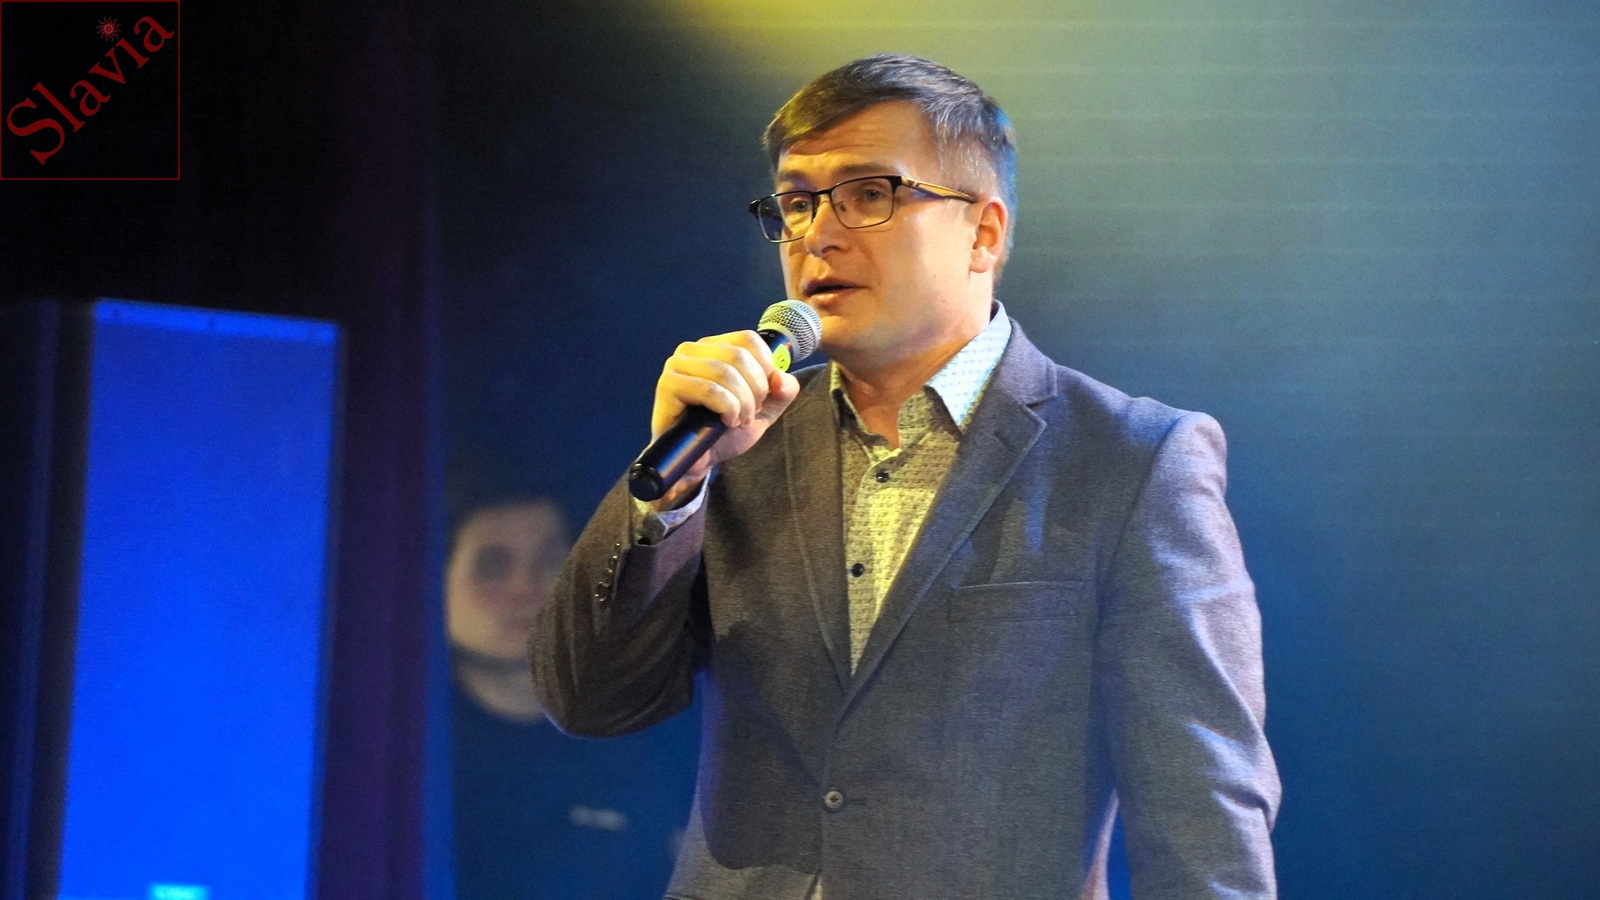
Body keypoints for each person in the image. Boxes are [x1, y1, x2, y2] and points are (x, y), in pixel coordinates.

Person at [530, 53, 1280, 899]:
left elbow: (1202, 811)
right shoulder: (741, 438)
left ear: (983, 233)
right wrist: (674, 489)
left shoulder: (1129, 459)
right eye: (798, 202)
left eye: (867, 194)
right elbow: (588, 701)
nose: (819, 234)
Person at [447, 493, 699, 900]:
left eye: (550, 560)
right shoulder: (407, 758)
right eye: (493, 566)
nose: (524, 587)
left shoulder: (651, 732)